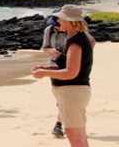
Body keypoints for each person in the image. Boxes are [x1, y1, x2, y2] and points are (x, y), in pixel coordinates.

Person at [32, 5, 94, 147]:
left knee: (76, 138)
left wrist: (43, 72)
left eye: (61, 19)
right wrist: (46, 68)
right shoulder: (79, 39)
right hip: (77, 91)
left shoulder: (75, 41)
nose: (58, 22)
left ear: (68, 21)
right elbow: (68, 67)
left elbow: (71, 72)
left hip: (72, 92)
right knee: (80, 137)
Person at [41, 9, 97, 138]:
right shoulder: (49, 31)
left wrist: (80, 56)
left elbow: (91, 42)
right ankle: (63, 123)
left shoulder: (76, 37)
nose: (57, 25)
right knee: (60, 98)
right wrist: (52, 52)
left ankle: (59, 124)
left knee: (66, 99)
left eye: (59, 22)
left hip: (70, 70)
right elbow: (45, 48)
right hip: (55, 65)